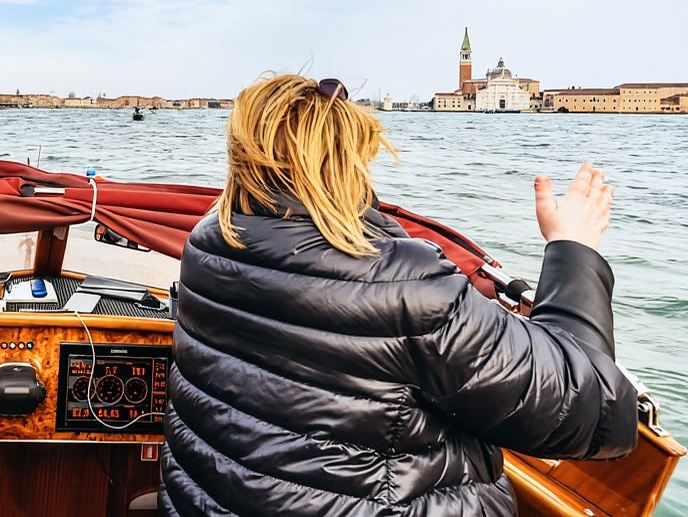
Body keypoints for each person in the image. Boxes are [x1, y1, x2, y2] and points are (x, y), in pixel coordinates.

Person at [160, 75, 637, 516]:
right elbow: (596, 412)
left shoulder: (207, 245)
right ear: (350, 161)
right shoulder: (407, 285)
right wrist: (572, 250)